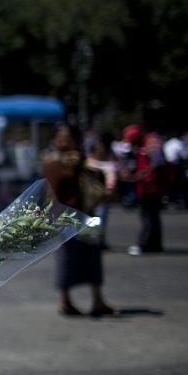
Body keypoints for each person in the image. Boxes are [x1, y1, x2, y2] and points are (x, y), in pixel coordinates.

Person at [42, 123, 116, 317]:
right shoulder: (53, 162)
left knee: (93, 256)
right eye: (61, 138)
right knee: (67, 259)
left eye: (68, 138)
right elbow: (51, 191)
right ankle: (65, 301)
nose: (64, 142)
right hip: (65, 217)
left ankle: (98, 300)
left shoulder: (84, 161)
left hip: (87, 214)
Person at [119, 124, 167, 255]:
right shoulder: (142, 145)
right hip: (145, 187)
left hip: (152, 187)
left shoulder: (152, 143)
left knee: (148, 216)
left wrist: (136, 177)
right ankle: (155, 245)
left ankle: (144, 244)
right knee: (152, 216)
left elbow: (155, 165)